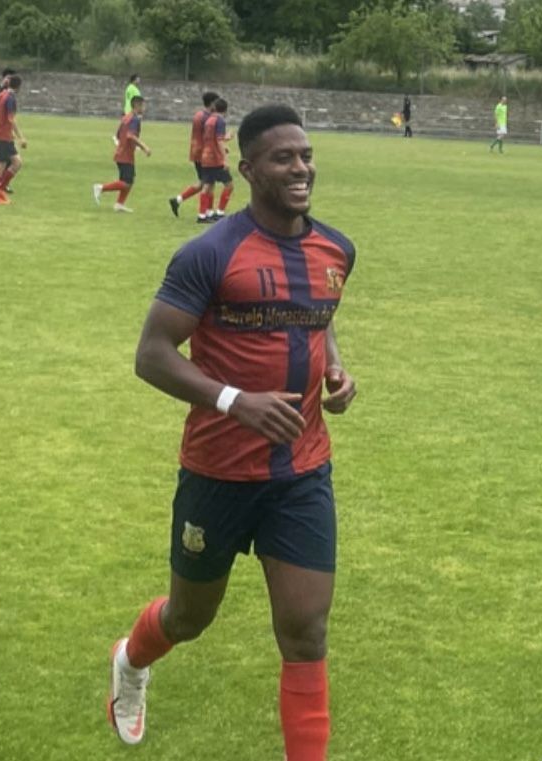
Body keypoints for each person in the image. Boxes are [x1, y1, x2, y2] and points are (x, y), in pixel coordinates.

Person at [107, 104, 357, 761]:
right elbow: (152, 354)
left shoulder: (336, 247)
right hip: (218, 471)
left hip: (301, 472)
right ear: (246, 169)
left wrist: (334, 366)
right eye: (283, 158)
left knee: (305, 630)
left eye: (304, 155)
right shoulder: (209, 253)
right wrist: (232, 399)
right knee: (189, 618)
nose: (299, 167)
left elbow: (320, 313)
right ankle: (131, 662)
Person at [92, 96, 151, 213]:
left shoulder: (126, 118)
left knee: (129, 180)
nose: (145, 108)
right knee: (126, 182)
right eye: (143, 105)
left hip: (122, 153)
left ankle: (119, 204)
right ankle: (101, 188)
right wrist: (144, 147)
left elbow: (119, 135)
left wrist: (131, 146)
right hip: (125, 155)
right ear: (137, 106)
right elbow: (130, 135)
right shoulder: (135, 119)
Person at [169, 91, 220, 218]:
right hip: (205, 153)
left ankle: (205, 210)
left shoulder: (199, 114)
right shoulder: (208, 118)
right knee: (207, 183)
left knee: (207, 182)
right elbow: (208, 136)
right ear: (212, 103)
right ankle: (203, 212)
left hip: (196, 151)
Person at [0, 74, 27, 205]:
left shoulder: (0, 95)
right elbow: (11, 119)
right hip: (2, 136)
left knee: (16, 162)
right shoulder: (10, 99)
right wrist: (21, 137)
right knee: (2, 164)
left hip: (0, 134)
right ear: (19, 87)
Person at [196, 97, 234, 223]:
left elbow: (212, 139)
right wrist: (225, 158)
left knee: (208, 185)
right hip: (215, 158)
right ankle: (220, 212)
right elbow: (218, 140)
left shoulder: (209, 120)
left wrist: (225, 139)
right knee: (229, 184)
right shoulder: (220, 120)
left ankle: (203, 214)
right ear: (225, 110)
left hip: (205, 156)